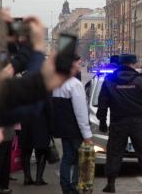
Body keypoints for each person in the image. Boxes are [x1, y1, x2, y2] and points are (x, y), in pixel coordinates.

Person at [97, 54, 142, 193]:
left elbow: (102, 103)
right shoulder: (141, 81)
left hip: (118, 122)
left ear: (120, 64)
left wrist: (102, 121)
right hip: (138, 122)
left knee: (114, 153)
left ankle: (110, 184)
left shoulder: (109, 80)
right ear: (133, 64)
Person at [51, 55, 93, 194]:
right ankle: (76, 185)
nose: (80, 67)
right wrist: (87, 135)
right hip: (75, 129)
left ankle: (65, 186)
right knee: (80, 159)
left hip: (63, 128)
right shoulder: (75, 84)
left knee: (67, 158)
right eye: (78, 64)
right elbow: (81, 112)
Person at [20, 102, 50, 186]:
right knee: (41, 151)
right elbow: (49, 109)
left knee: (26, 151)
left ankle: (27, 177)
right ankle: (38, 179)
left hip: (25, 124)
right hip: (41, 124)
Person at [0, 127, 14, 194]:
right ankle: (2, 186)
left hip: (8, 135)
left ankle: (4, 186)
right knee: (2, 161)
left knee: (5, 162)